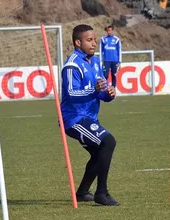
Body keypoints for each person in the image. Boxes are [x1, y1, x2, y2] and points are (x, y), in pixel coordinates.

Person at [60, 24, 119, 206]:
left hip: (89, 117)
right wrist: (94, 91)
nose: (94, 43)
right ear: (78, 42)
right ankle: (102, 193)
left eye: (94, 39)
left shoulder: (95, 62)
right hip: (73, 118)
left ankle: (83, 192)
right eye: (89, 40)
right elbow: (71, 93)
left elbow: (99, 90)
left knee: (99, 152)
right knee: (108, 142)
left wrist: (108, 93)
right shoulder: (72, 65)